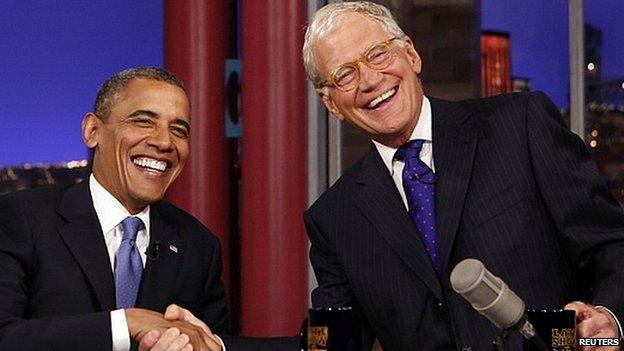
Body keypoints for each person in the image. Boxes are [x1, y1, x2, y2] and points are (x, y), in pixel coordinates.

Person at [302, 2, 624, 350]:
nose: (368, 79)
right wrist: (233, 346)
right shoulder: (334, 218)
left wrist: (609, 317)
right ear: (331, 103)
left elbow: (611, 243)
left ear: (410, 54)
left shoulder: (520, 126)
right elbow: (330, 343)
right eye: (345, 75)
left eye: (377, 54)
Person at [0, 67, 227, 351]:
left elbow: (212, 343)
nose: (164, 141)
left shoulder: (198, 246)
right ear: (93, 131)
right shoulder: (21, 220)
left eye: (179, 130)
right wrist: (124, 324)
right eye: (144, 121)